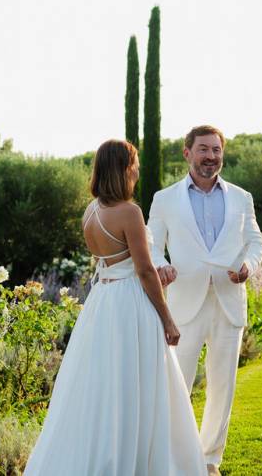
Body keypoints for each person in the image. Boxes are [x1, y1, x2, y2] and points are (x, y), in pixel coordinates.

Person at [23, 140, 206, 475]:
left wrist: (153, 274)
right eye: (133, 163)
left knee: (107, 384)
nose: (136, 169)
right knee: (140, 382)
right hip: (129, 306)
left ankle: (109, 451)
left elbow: (112, 263)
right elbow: (143, 270)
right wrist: (168, 319)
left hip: (103, 304)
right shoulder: (129, 212)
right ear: (123, 168)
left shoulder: (90, 212)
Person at [148, 125, 262, 476]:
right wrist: (161, 265)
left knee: (222, 387)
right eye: (203, 149)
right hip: (184, 303)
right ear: (187, 153)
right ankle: (176, 461)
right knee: (178, 384)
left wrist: (248, 266)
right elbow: (152, 244)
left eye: (216, 150)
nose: (210, 157)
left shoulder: (242, 197)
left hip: (229, 302)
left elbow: (256, 243)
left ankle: (210, 460)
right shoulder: (164, 199)